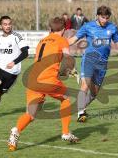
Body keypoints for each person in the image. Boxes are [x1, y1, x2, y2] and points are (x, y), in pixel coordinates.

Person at [8, 17, 78, 151]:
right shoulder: (62, 40)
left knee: (31, 114)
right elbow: (68, 57)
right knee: (66, 99)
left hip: (33, 79)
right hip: (48, 78)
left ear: (50, 29)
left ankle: (16, 131)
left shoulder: (42, 41)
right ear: (63, 29)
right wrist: (70, 70)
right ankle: (65, 133)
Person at [68, 5, 118, 122]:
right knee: (85, 85)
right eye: (102, 17)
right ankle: (81, 113)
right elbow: (73, 39)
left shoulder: (112, 28)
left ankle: (82, 107)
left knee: (94, 93)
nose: (105, 20)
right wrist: (60, 45)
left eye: (107, 18)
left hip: (102, 63)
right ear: (97, 16)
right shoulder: (88, 26)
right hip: (89, 60)